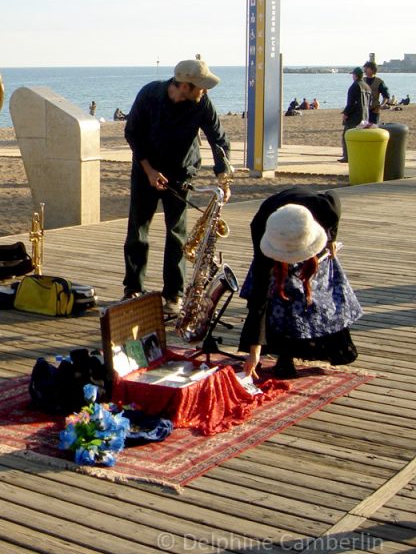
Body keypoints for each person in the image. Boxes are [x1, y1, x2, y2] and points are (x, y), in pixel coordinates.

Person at [122, 55, 232, 317]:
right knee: (138, 231)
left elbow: (218, 140)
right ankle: (133, 289)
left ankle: (173, 295)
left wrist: (223, 178)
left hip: (181, 172)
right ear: (185, 85)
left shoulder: (202, 102)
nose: (204, 91)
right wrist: (149, 171)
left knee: (177, 235)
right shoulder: (150, 94)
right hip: (146, 168)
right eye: (201, 86)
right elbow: (132, 133)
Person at [238, 194, 361, 379]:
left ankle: (321, 346)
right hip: (278, 243)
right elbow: (260, 297)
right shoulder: (262, 230)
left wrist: (332, 238)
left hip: (310, 240)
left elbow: (335, 199)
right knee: (279, 297)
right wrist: (254, 351)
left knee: (317, 296)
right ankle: (284, 355)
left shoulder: (324, 207)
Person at [338, 66, 371, 162]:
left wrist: (346, 114)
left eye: (353, 74)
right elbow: (369, 102)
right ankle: (360, 155)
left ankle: (347, 156)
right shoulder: (367, 87)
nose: (352, 76)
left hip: (355, 117)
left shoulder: (354, 86)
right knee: (361, 137)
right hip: (365, 116)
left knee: (347, 136)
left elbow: (351, 103)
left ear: (355, 75)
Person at [362, 59, 390, 124]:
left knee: (373, 129)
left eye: (367, 68)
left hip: (374, 110)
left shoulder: (379, 82)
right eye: (364, 68)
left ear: (372, 70)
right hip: (363, 111)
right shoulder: (361, 81)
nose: (365, 70)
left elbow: (386, 96)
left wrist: (381, 106)